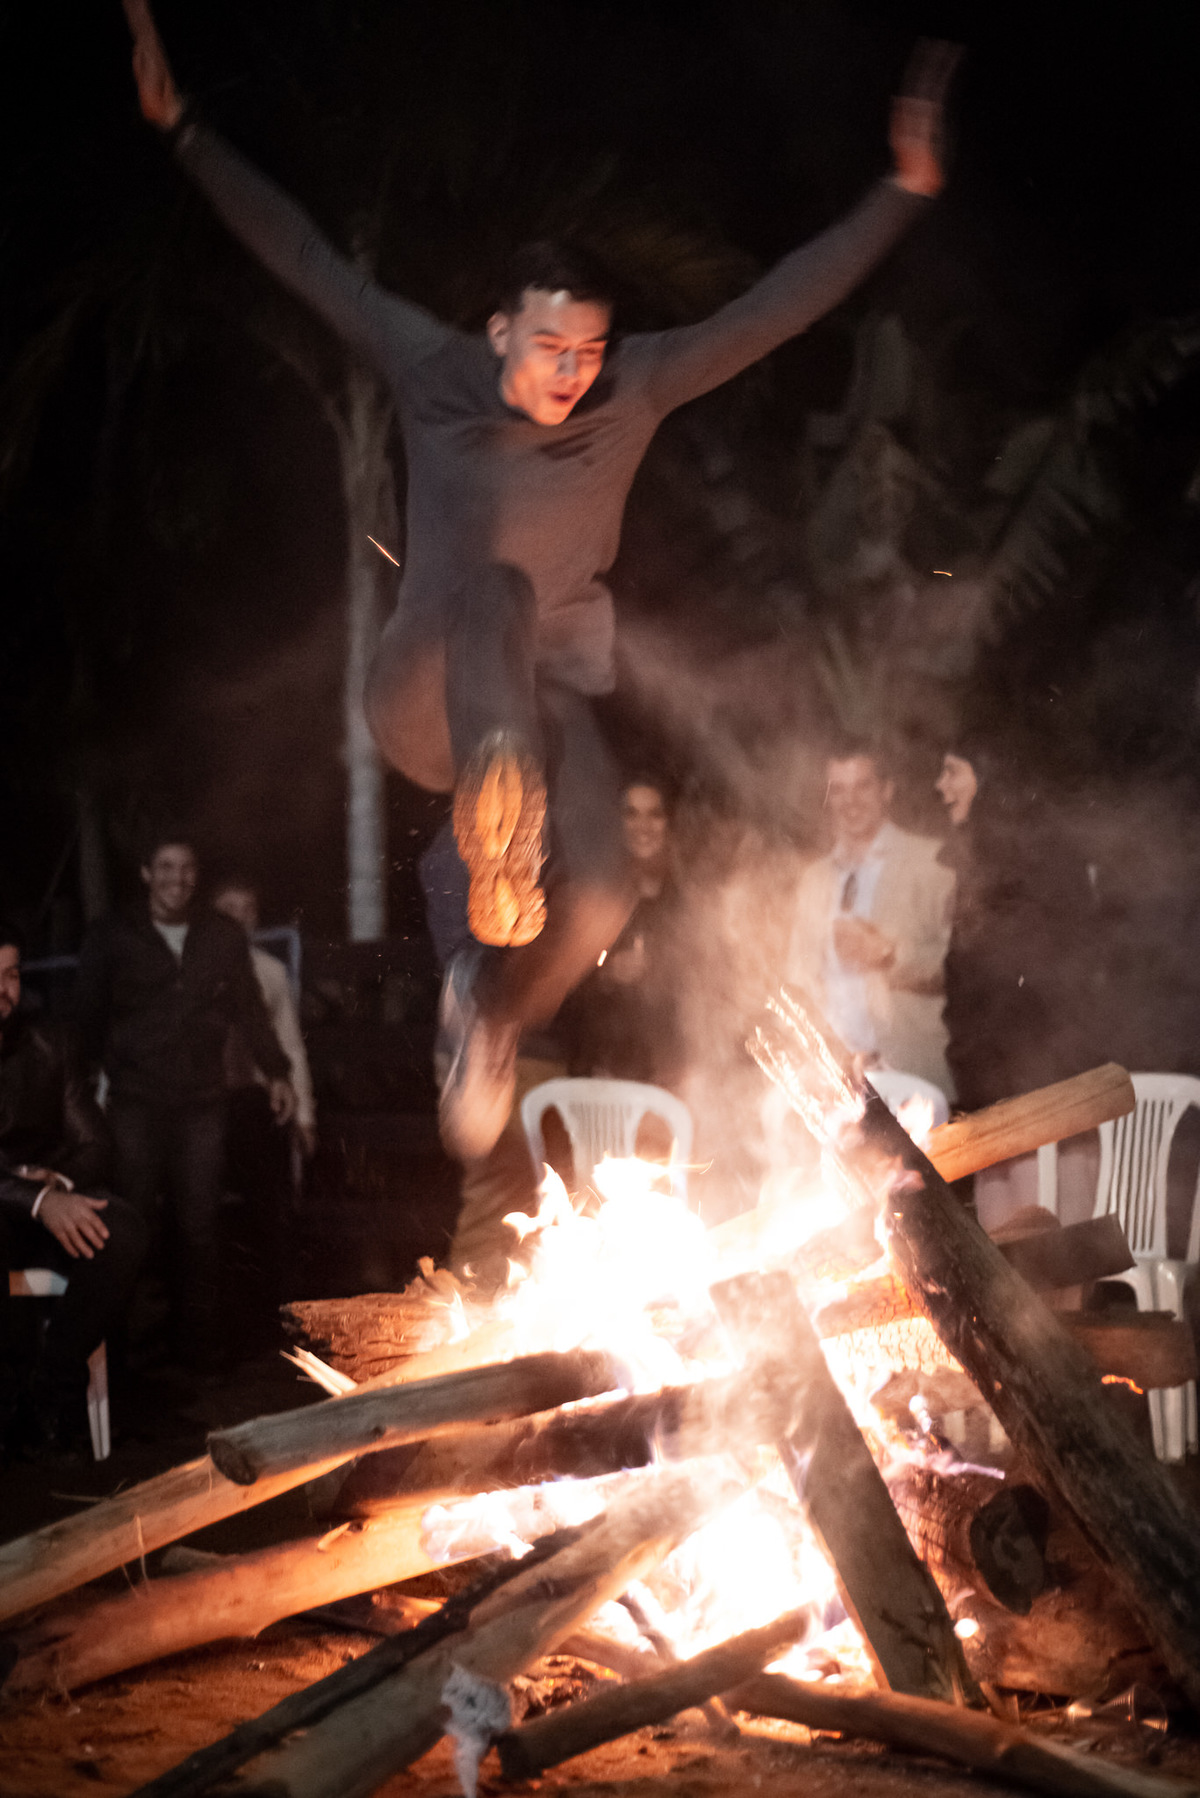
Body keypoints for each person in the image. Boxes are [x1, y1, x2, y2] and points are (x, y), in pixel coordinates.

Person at [124, 0, 956, 1161]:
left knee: (607, 884)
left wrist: (903, 191)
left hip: (544, 702)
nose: (573, 376)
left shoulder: (638, 385)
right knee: (500, 593)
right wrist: (183, 131)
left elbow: (771, 308)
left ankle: (488, 1013)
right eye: (550, 348)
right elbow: (304, 254)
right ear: (499, 328)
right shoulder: (430, 365)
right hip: (429, 688)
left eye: (591, 354)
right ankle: (491, 836)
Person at [75, 836, 294, 1373]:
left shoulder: (220, 936)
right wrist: (76, 1088)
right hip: (136, 1100)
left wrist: (278, 1072)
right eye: (167, 867)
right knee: (128, 1223)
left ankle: (199, 1352)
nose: (179, 878)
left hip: (201, 1099)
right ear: (147, 873)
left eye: (188, 868)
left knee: (199, 1224)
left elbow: (249, 1007)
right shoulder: (113, 936)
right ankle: (118, 1358)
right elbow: (85, 1015)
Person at [936, 741, 1100, 1228]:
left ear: (989, 776)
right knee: (1006, 1246)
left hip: (1037, 1088)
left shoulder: (1028, 861)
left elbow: (1026, 980)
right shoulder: (982, 857)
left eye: (951, 771)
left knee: (1041, 1241)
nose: (939, 786)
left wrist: (1000, 1073)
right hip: (999, 1087)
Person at [0, 924, 146, 1455]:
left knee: (122, 1227)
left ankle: (52, 1381)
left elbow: (95, 1144)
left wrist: (58, 1186)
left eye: (11, 974)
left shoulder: (48, 1042)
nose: (4, 989)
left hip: (40, 1207)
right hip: (11, 1212)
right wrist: (34, 1196)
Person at [786, 743, 955, 1093]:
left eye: (863, 786)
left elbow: (963, 970)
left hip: (913, 1076)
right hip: (833, 1081)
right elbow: (798, 979)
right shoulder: (814, 879)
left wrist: (889, 955)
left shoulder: (931, 865)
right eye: (839, 791)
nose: (851, 802)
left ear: (886, 790)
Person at [212, 877, 314, 1310]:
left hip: (256, 1101)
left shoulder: (270, 973)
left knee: (272, 1205)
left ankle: (282, 1308)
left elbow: (290, 1043)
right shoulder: (194, 969)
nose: (239, 919)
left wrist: (305, 1116)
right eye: (228, 910)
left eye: (247, 909)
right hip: (206, 1101)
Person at [565, 776, 687, 1089]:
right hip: (601, 1071)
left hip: (668, 1074)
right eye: (631, 814)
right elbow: (562, 989)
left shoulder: (686, 898)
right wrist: (607, 973)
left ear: (668, 822)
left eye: (654, 814)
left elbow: (703, 984)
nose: (643, 825)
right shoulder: (594, 894)